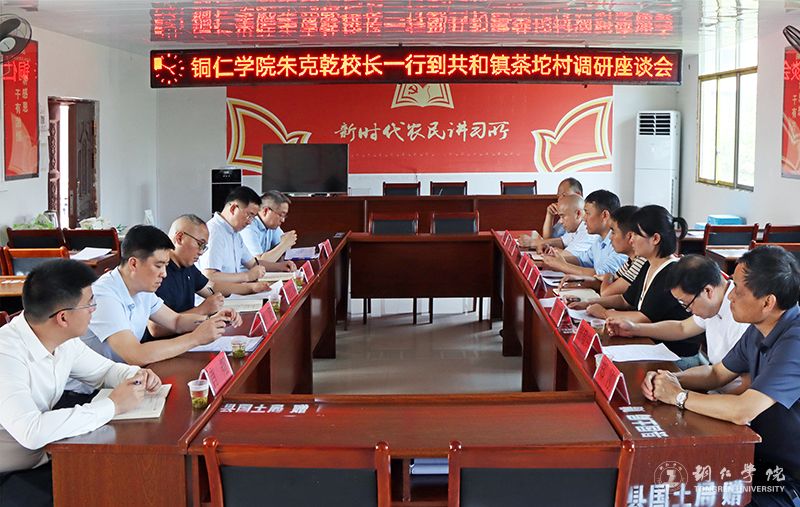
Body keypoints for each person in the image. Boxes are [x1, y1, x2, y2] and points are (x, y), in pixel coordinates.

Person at [643, 246, 800, 506]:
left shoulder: (794, 341)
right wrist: (669, 379)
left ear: (767, 302)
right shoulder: (759, 327)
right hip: (756, 452)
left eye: (737, 289)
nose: (730, 297)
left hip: (785, 475)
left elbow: (743, 410)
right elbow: (717, 373)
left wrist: (679, 396)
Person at [0, 260, 161, 507]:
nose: (94, 310)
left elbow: (105, 371)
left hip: (48, 454)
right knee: (106, 490)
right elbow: (32, 432)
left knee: (124, 479)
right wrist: (113, 406)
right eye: (90, 303)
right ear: (63, 317)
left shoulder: (61, 339)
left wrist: (137, 375)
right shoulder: (6, 355)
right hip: (11, 473)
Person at [80, 225, 241, 366]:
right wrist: (195, 338)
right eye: (158, 266)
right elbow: (135, 355)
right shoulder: (103, 294)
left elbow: (176, 321)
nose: (164, 274)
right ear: (134, 264)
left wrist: (211, 321)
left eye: (166, 265)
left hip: (121, 375)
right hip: (93, 387)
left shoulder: (143, 288)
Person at [569, 205, 704, 366]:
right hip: (650, 346)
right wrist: (588, 303)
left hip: (675, 357)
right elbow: (624, 300)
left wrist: (604, 313)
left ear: (655, 239)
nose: (631, 240)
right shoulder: (648, 264)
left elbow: (643, 318)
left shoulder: (670, 272)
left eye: (636, 235)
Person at [606, 254, 749, 392]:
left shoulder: (742, 317)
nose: (688, 310)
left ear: (708, 291)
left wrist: (682, 397)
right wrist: (634, 329)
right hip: (713, 385)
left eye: (686, 304)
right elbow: (682, 328)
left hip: (728, 398)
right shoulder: (714, 301)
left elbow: (744, 391)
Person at [146, 214, 272, 341]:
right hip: (166, 344)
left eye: (204, 247)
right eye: (200, 244)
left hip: (188, 337)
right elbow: (156, 329)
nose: (201, 252)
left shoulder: (188, 267)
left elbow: (211, 288)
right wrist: (202, 310)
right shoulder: (159, 274)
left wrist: (250, 288)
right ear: (179, 238)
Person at [198, 186, 295, 284]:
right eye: (249, 215)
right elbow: (210, 276)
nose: (250, 222)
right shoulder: (214, 232)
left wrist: (281, 266)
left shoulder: (235, 233)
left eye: (253, 217)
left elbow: (253, 263)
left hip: (234, 289)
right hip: (220, 292)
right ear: (233, 209)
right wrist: (247, 276)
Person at [558, 205, 645, 297]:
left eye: (613, 232)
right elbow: (606, 280)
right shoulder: (631, 261)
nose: (610, 237)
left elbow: (606, 291)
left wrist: (608, 276)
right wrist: (580, 280)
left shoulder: (640, 262)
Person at [541, 189, 628, 277]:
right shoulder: (599, 240)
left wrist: (562, 265)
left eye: (587, 213)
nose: (584, 218)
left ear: (604, 215)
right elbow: (581, 260)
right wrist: (556, 259)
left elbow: (602, 275)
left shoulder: (620, 243)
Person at [520, 194, 598, 255]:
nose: (560, 221)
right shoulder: (577, 227)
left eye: (563, 216)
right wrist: (538, 243)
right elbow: (562, 241)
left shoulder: (587, 230)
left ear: (578, 214)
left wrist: (548, 248)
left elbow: (570, 256)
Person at [241, 190, 298, 263]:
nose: (283, 220)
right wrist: (284, 244)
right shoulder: (248, 227)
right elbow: (258, 263)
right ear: (266, 211)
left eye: (284, 216)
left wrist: (286, 243)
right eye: (281, 215)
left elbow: (284, 251)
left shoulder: (272, 226)